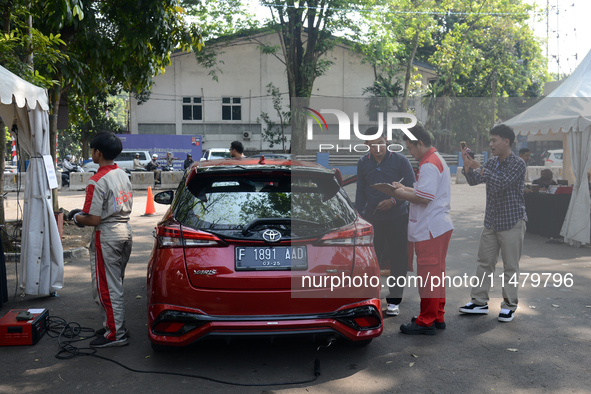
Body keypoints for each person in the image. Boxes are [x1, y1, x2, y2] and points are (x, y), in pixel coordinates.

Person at [383, 125, 453, 335]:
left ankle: (426, 320)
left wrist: (398, 194)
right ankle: (437, 315)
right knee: (436, 274)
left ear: (420, 143)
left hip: (430, 229)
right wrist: (405, 189)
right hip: (438, 226)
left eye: (410, 148)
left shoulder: (429, 164)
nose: (410, 153)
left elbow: (424, 198)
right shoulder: (436, 159)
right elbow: (425, 192)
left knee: (428, 276)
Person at [66, 132, 133, 347]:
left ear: (98, 152)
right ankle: (113, 325)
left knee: (106, 288)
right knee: (115, 285)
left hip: (107, 235)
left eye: (92, 149)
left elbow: (93, 219)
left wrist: (75, 217)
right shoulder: (122, 174)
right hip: (124, 230)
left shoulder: (96, 180)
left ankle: (115, 333)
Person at [460, 124, 527, 322]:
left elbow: (501, 182)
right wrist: (467, 164)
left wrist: (478, 167)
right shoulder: (492, 162)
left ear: (507, 142)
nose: (491, 144)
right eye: (490, 140)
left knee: (510, 266)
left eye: (494, 140)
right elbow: (473, 181)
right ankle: (479, 302)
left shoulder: (518, 163)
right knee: (484, 263)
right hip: (491, 221)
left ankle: (509, 305)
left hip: (512, 221)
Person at [355, 127, 415, 317]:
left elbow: (413, 187)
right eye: (373, 145)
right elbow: (360, 192)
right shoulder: (363, 163)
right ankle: (371, 298)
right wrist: (359, 215)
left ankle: (394, 300)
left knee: (398, 261)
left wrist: (394, 200)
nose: (378, 148)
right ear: (366, 145)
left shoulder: (400, 160)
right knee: (371, 261)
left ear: (386, 140)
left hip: (398, 218)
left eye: (381, 143)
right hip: (373, 220)